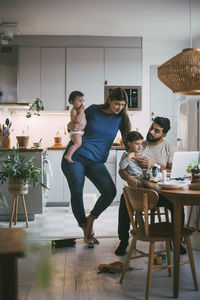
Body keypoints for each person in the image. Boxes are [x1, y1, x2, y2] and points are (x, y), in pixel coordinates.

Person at [61, 87, 131, 247]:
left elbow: (128, 141)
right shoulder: (93, 110)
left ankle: (91, 219)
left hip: (96, 161)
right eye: (116, 104)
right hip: (76, 156)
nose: (119, 108)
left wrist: (135, 155)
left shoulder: (121, 118)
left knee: (109, 191)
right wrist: (71, 124)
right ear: (109, 100)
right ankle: (85, 227)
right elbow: (74, 126)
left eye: (122, 104)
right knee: (77, 191)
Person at [115, 116, 186, 256]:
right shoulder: (141, 144)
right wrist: (129, 178)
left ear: (164, 134)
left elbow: (173, 172)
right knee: (124, 200)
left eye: (156, 131)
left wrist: (153, 165)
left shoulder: (169, 148)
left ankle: (177, 240)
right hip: (141, 191)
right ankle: (123, 240)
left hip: (162, 193)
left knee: (178, 205)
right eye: (151, 128)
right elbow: (121, 170)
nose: (151, 132)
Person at [64, 91, 86, 163]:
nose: (82, 103)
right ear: (71, 102)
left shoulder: (79, 110)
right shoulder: (74, 110)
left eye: (83, 101)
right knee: (78, 144)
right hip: (76, 132)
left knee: (79, 144)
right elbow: (77, 120)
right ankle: (68, 155)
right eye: (79, 101)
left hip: (80, 132)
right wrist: (82, 111)